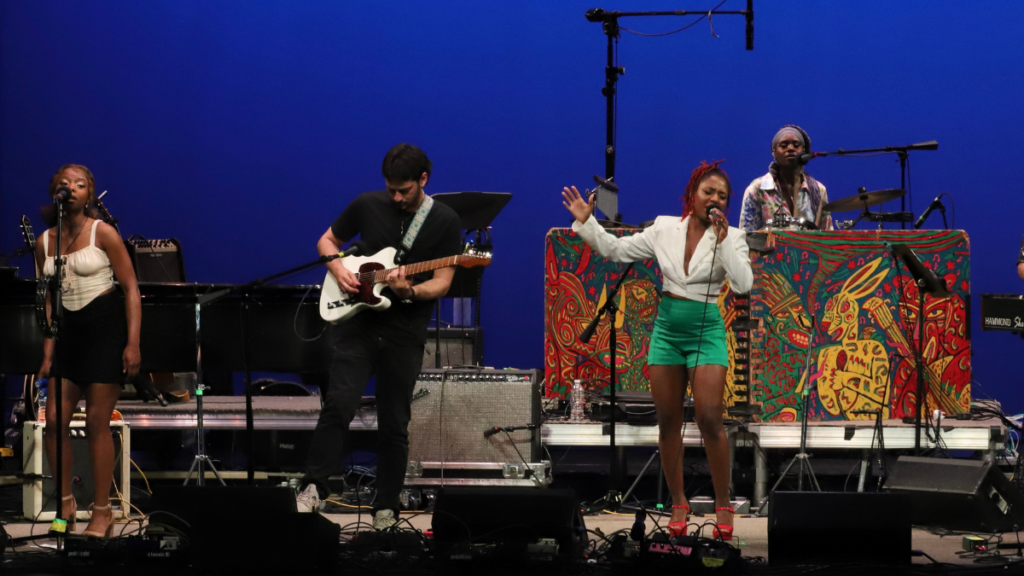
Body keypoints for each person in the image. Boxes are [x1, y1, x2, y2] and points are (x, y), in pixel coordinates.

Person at [561, 161, 753, 541]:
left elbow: (744, 283)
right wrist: (587, 222)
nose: (714, 199)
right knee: (667, 422)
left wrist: (725, 236)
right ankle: (678, 504)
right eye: (707, 192)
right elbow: (616, 250)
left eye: (722, 197)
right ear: (692, 194)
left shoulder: (732, 235)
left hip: (706, 328)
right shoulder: (665, 227)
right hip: (667, 328)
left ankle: (723, 504)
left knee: (709, 417)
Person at [296, 144, 462, 529]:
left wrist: (411, 292)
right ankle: (313, 489)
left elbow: (443, 281)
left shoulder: (445, 220)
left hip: (405, 331)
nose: (397, 197)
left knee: (394, 421)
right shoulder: (366, 204)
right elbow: (326, 241)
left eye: (404, 190)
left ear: (424, 180)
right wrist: (338, 271)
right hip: (359, 326)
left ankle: (386, 506)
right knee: (338, 405)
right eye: (391, 190)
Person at [35, 164, 141, 538]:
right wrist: (48, 352)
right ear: (55, 192)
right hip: (68, 336)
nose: (72, 188)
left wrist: (132, 343)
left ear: (90, 195)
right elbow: (47, 298)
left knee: (98, 421)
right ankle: (65, 503)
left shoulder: (104, 233)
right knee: (54, 424)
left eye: (80, 184)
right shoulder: (44, 241)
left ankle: (102, 511)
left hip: (104, 329)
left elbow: (131, 288)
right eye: (65, 183)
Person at [739, 125, 833, 232]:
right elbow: (745, 236)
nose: (791, 148)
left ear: (804, 151)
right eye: (784, 146)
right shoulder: (757, 189)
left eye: (796, 145)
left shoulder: (819, 190)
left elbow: (827, 233)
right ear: (774, 152)